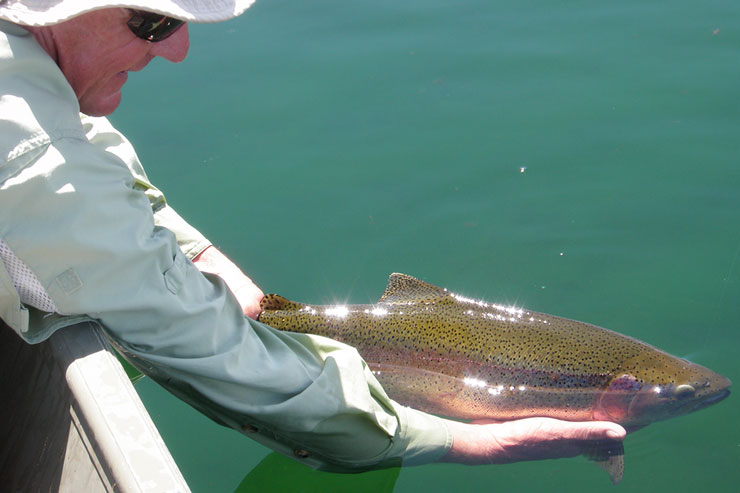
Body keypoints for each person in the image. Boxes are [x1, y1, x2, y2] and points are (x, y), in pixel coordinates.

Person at [0, 0, 625, 474]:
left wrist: (191, 251)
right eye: (154, 24)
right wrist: (448, 438)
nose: (179, 50)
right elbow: (208, 351)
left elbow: (77, 149)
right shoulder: (33, 161)